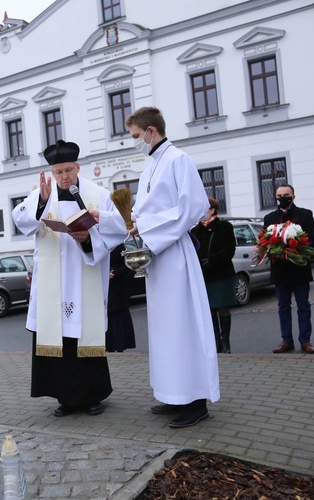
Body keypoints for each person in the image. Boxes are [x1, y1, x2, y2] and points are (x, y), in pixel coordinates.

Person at [122, 106, 220, 428]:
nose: (134, 142)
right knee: (165, 330)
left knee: (184, 328)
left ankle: (196, 401)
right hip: (157, 258)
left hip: (175, 254)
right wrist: (134, 223)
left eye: (136, 136)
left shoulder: (179, 160)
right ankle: (173, 393)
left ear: (151, 131)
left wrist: (148, 228)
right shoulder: (150, 166)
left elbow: (194, 206)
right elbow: (143, 209)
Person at [12, 140, 125, 417]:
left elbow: (118, 230)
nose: (64, 177)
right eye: (58, 172)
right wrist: (40, 203)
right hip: (54, 284)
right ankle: (65, 398)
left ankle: (93, 396)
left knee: (84, 335)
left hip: (84, 276)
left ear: (78, 168)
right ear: (52, 172)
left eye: (68, 170)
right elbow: (20, 220)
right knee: (59, 339)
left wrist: (89, 239)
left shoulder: (97, 194)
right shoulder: (41, 194)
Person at [263, 184, 314, 354]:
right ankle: (286, 340)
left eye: (286, 195)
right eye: (279, 195)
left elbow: (313, 241)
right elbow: (265, 242)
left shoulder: (305, 214)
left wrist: (296, 249)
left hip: (299, 268)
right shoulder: (270, 217)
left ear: (293, 197)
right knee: (283, 307)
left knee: (303, 306)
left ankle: (305, 341)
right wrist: (277, 250)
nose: (282, 198)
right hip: (280, 270)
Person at [190, 197, 237, 354]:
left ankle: (226, 343)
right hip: (204, 275)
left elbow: (229, 249)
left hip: (221, 273)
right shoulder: (195, 230)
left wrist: (212, 260)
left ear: (212, 210)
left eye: (204, 209)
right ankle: (215, 342)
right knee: (209, 310)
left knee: (223, 308)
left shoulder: (224, 226)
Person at [106, 244, 136, 353]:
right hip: (102, 287)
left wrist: (115, 272)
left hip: (117, 287)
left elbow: (128, 264)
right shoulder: (98, 243)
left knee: (118, 319)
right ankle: (108, 345)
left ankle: (120, 346)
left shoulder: (120, 245)